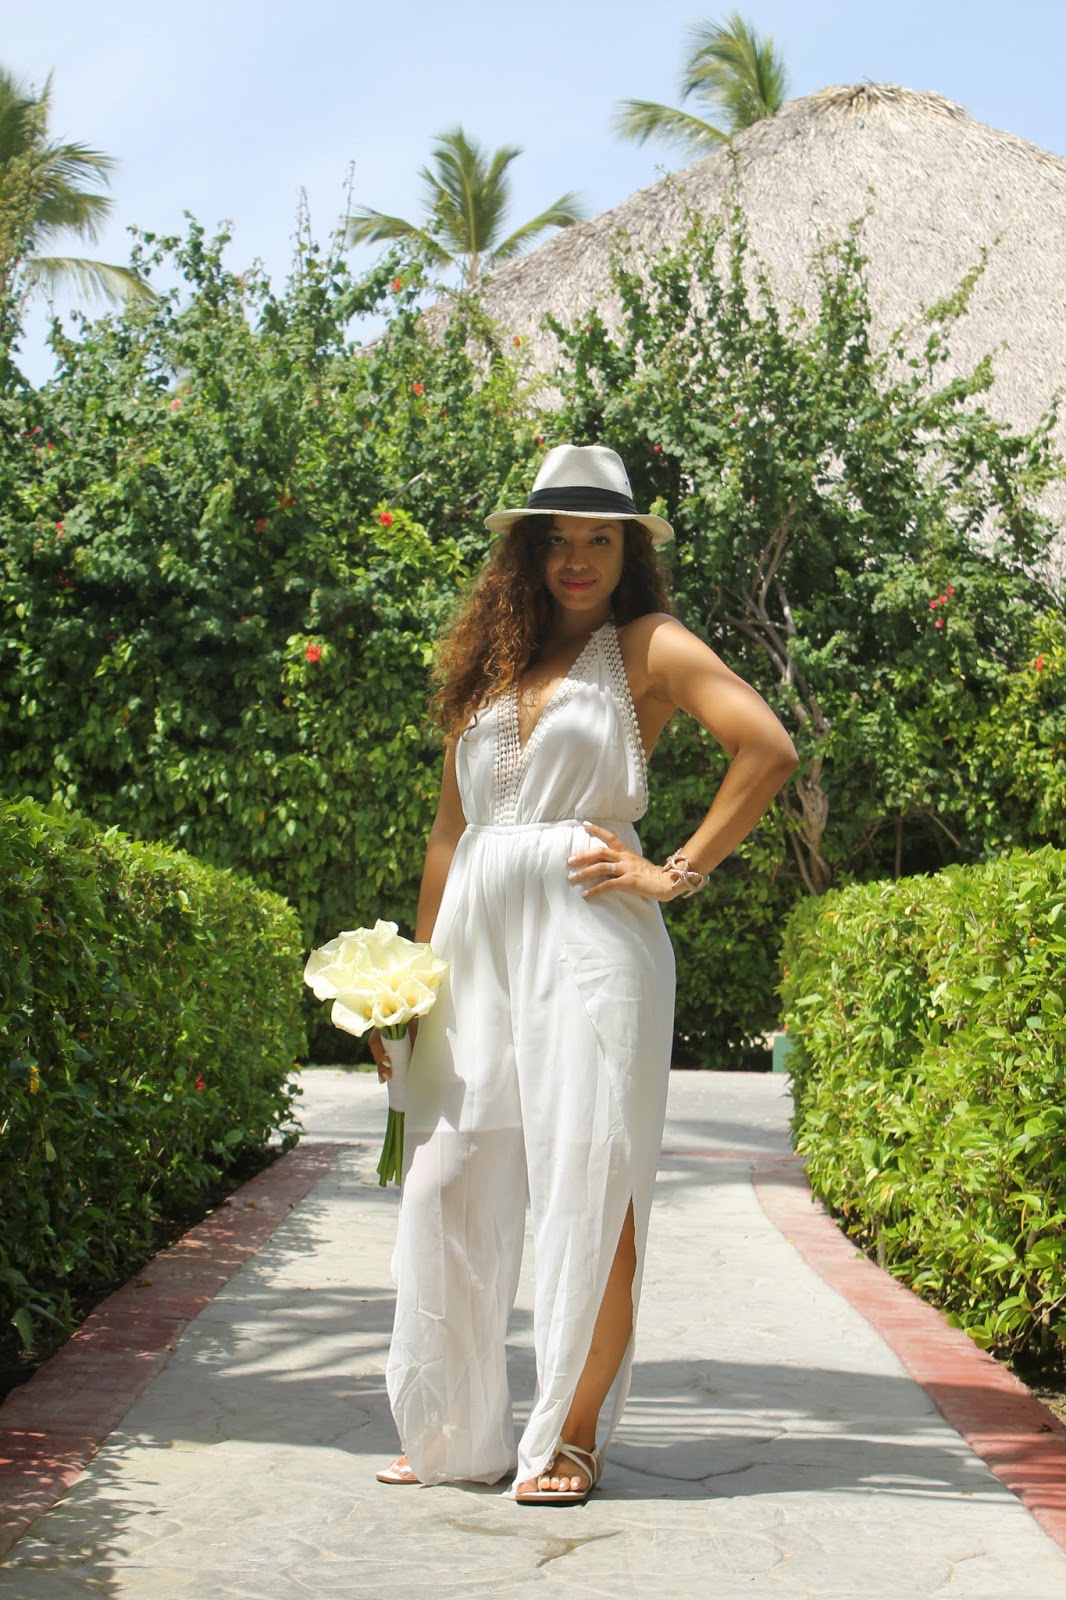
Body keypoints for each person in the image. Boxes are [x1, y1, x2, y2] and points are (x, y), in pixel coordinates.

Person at [370, 443, 797, 1504]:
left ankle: (569, 1433)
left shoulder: (647, 645)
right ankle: (452, 1428)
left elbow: (767, 748)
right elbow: (449, 832)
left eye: (598, 539)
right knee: (445, 1180)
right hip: (475, 942)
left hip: (592, 942)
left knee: (590, 1182)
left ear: (627, 551)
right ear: (526, 551)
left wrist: (675, 870)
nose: (576, 559)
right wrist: (410, 984)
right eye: (556, 539)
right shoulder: (489, 662)